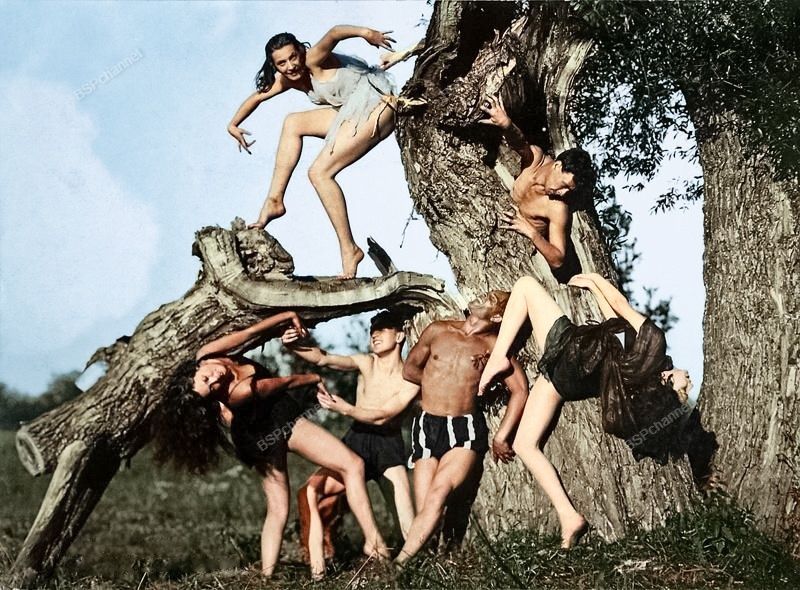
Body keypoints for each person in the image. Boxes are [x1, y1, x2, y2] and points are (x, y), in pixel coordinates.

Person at [151, 311, 389, 578]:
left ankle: (374, 545)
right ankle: (266, 576)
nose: (216, 379)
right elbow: (285, 382)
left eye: (207, 378)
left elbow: (250, 333)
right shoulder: (238, 392)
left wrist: (287, 316)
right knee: (279, 508)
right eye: (212, 389)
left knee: (352, 464)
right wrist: (314, 378)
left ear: (196, 368)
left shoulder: (207, 354)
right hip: (262, 436)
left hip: (278, 416)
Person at [478, 274, 692, 548]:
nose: (689, 376)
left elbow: (620, 305)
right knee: (524, 444)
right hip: (569, 384)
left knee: (525, 286)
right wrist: (593, 289)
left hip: (571, 352)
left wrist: (596, 278)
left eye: (685, 381)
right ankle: (568, 517)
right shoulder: (642, 385)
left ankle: (498, 357)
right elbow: (615, 326)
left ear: (668, 379)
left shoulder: (655, 344)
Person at [317, 292, 530, 565]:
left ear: (498, 317)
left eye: (491, 298)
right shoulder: (438, 330)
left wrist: (502, 436)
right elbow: (410, 370)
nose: (482, 295)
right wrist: (438, 386)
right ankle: (431, 564)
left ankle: (400, 566)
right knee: (427, 506)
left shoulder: (493, 347)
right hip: (427, 425)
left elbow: (520, 390)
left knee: (439, 493)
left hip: (463, 428)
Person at [228, 26, 402, 278]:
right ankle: (274, 200)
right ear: (274, 66)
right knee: (292, 122)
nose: (290, 66)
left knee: (319, 173)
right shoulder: (286, 79)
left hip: (377, 103)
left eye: (293, 57)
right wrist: (233, 124)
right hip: (349, 111)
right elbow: (257, 98)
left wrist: (367, 34)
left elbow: (335, 33)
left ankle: (349, 250)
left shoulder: (314, 58)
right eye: (282, 63)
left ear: (301, 51)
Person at [280, 309, 417, 578]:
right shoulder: (366, 363)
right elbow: (323, 358)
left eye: (383, 329)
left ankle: (410, 570)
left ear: (400, 336)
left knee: (409, 526)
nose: (375, 334)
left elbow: (383, 416)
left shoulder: (410, 378)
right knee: (311, 491)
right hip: (357, 440)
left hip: (388, 446)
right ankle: (320, 569)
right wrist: (292, 345)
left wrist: (344, 409)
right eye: (372, 330)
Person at [479, 95, 596, 278]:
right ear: (557, 166)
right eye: (564, 185)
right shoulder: (536, 160)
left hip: (520, 257)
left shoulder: (557, 208)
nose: (563, 193)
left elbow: (558, 259)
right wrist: (506, 124)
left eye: (569, 190)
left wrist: (531, 231)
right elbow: (520, 143)